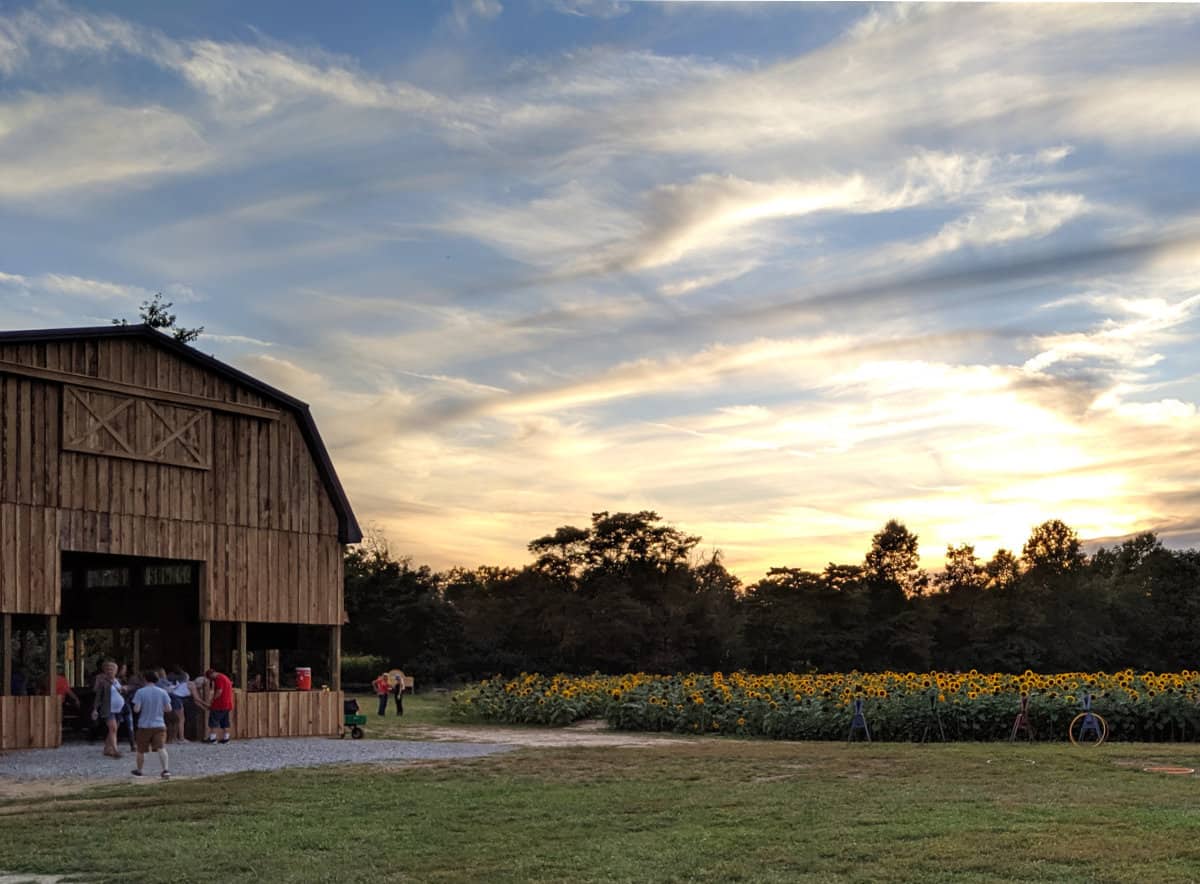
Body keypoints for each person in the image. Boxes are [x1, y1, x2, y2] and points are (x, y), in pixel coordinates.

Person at [130, 671, 171, 780]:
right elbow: (168, 709)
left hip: (144, 725)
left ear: (145, 679)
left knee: (141, 750)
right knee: (161, 748)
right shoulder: (163, 692)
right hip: (159, 724)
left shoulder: (140, 692)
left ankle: (139, 770)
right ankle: (165, 770)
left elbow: (136, 709)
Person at [91, 661, 125, 758]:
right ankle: (115, 751)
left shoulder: (118, 681)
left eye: (112, 669)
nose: (110, 671)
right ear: (105, 671)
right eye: (108, 669)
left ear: (116, 671)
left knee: (113, 730)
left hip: (119, 709)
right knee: (113, 728)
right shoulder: (102, 682)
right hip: (108, 708)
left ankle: (106, 749)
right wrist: (95, 709)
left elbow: (122, 692)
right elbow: (98, 697)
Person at [204, 668, 234, 743]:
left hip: (219, 704)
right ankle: (226, 738)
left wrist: (213, 699)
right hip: (227, 704)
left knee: (213, 721)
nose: (211, 680)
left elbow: (219, 691)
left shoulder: (218, 679)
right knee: (225, 722)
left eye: (210, 678)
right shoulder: (224, 677)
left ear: (211, 675)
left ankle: (213, 738)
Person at [166, 666, 192, 743]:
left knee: (172, 719)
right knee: (180, 719)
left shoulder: (170, 678)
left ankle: (172, 738)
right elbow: (196, 698)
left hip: (172, 697)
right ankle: (181, 738)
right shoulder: (187, 681)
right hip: (177, 699)